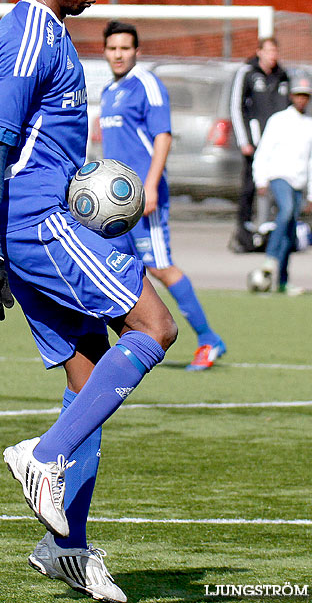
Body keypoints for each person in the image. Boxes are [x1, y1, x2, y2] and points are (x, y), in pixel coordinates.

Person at [0, 0, 177, 603]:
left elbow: (38, 144)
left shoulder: (54, 34)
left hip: (49, 219)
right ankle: (42, 456)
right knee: (155, 328)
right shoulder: (25, 35)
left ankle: (65, 548)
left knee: (87, 384)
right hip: (34, 226)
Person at [99, 20, 226, 371]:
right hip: (115, 202)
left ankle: (208, 339)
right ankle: (131, 338)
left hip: (143, 197)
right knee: (121, 267)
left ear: (136, 51)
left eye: (125, 48)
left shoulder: (146, 84)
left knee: (159, 265)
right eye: (112, 48)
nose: (119, 54)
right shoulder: (111, 91)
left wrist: (151, 185)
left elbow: (163, 137)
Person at [252, 77, 312, 295]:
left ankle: (282, 279)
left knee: (291, 231)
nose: (301, 99)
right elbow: (264, 149)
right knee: (286, 211)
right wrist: (260, 178)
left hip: (299, 182)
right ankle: (270, 258)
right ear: (292, 96)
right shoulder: (278, 120)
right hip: (279, 175)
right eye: (298, 95)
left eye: (305, 96)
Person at [230, 36, 290, 246]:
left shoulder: (282, 76)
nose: (273, 56)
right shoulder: (247, 73)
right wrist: (244, 140)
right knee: (250, 186)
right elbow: (237, 107)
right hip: (255, 143)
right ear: (259, 52)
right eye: (269, 51)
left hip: (278, 144)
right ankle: (245, 228)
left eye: (275, 51)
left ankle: (272, 228)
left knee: (278, 184)